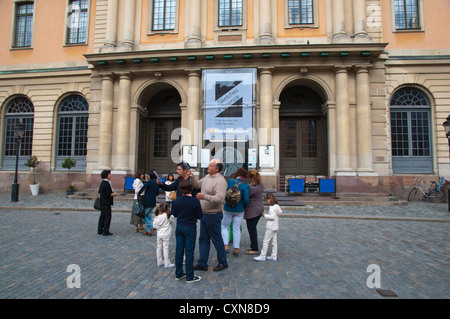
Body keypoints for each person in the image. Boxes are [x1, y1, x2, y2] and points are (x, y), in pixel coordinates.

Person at [189, 159, 228, 272]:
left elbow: (220, 199)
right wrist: (192, 177)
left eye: (210, 166)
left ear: (217, 169)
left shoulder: (220, 181)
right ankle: (202, 263)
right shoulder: (207, 177)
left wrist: (204, 197)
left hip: (214, 215)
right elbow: (197, 185)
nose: (207, 167)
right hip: (204, 214)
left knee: (217, 239)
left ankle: (223, 262)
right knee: (203, 239)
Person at [172, 180, 203, 283]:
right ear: (192, 189)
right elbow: (199, 216)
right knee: (189, 252)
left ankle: (178, 273)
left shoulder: (177, 201)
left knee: (179, 250)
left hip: (179, 226)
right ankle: (189, 275)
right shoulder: (195, 201)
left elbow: (174, 214)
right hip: (190, 227)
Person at [221, 167, 250, 257]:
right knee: (236, 229)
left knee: (225, 227)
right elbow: (246, 200)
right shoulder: (245, 186)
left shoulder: (230, 181)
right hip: (239, 209)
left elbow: (226, 193)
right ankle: (236, 249)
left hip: (228, 208)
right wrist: (244, 207)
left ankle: (225, 246)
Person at [254, 193, 283, 262]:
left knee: (265, 241)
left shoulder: (272, 207)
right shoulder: (277, 206)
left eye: (267, 200)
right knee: (274, 242)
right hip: (275, 226)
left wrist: (265, 215)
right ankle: (274, 255)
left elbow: (272, 217)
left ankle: (263, 256)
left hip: (270, 227)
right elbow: (277, 214)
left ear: (269, 199)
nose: (266, 201)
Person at [244, 169, 264, 254]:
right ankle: (253, 245)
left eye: (249, 178)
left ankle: (255, 248)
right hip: (259, 209)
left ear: (251, 177)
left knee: (252, 229)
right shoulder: (260, 184)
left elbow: (246, 194)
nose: (248, 179)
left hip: (253, 210)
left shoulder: (252, 188)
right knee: (253, 228)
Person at [153, 202, 175, 268]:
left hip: (159, 233)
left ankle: (159, 261)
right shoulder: (167, 216)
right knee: (166, 248)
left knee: (158, 247)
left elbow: (154, 225)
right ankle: (167, 263)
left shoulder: (157, 216)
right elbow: (172, 221)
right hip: (166, 233)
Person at [138, 170, 159, 236]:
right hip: (153, 201)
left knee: (143, 215)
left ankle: (152, 227)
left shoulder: (149, 182)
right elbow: (157, 193)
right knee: (148, 216)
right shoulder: (156, 183)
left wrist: (139, 194)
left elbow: (142, 188)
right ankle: (148, 231)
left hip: (147, 201)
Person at [98, 170, 117, 236]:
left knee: (102, 216)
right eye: (109, 174)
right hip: (106, 202)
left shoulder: (102, 182)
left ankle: (100, 229)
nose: (110, 175)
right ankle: (106, 230)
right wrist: (114, 194)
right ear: (106, 175)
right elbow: (108, 193)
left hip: (102, 201)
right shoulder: (106, 183)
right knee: (108, 216)